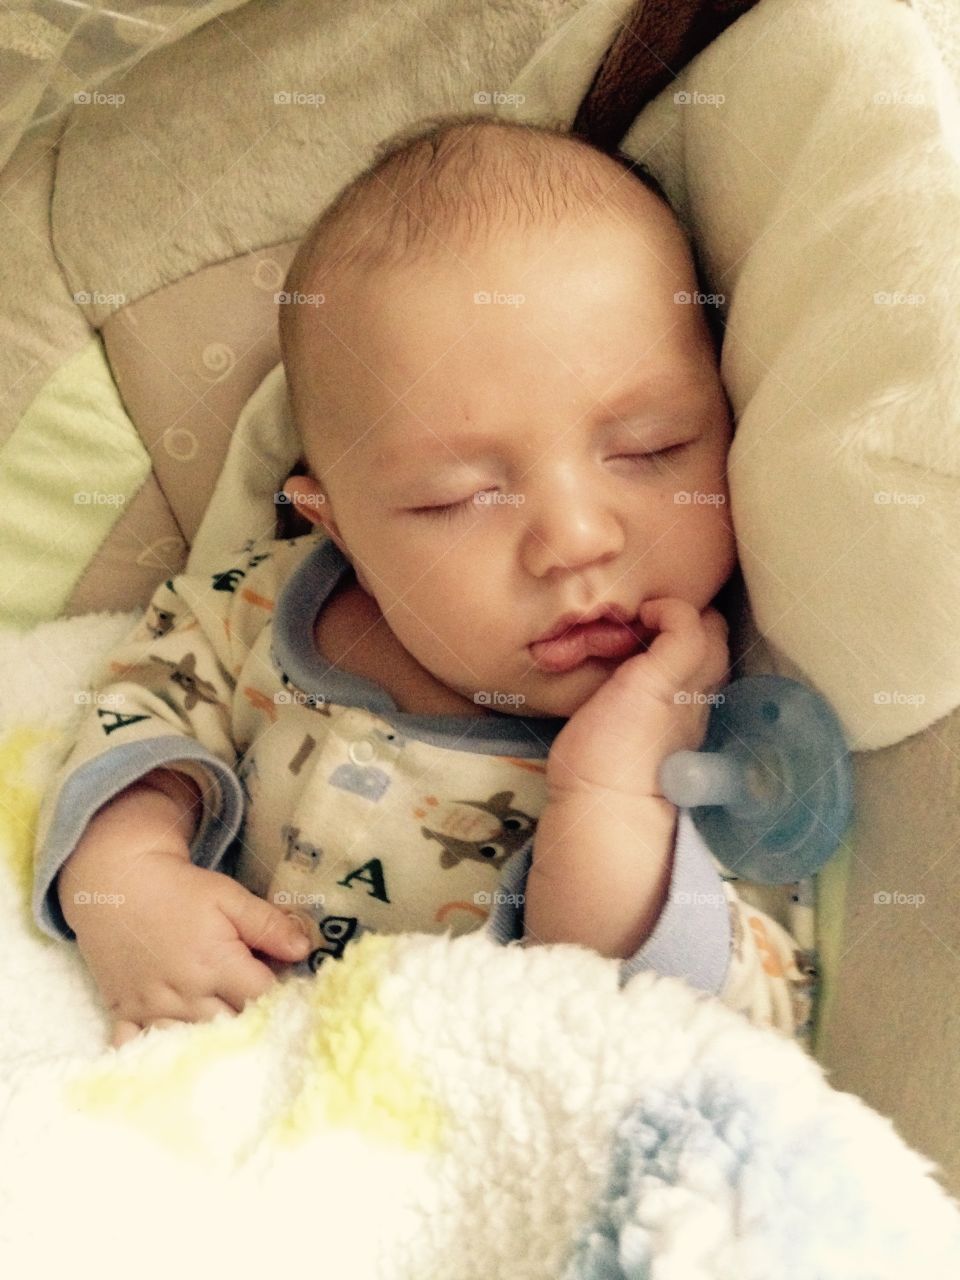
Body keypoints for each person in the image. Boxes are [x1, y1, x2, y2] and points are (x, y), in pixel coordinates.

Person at [32, 115, 815, 1049]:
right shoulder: (256, 611)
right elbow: (141, 702)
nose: (574, 539)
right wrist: (129, 876)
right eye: (459, 497)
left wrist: (614, 799)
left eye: (652, 450)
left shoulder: (723, 738)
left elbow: (736, 1026)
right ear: (338, 527)